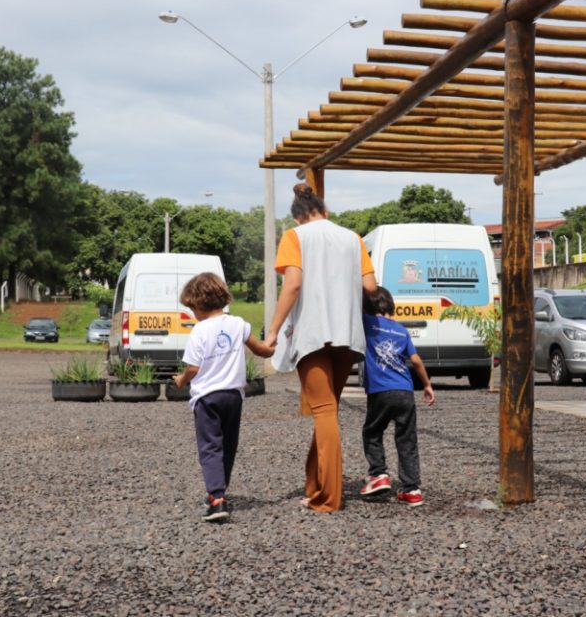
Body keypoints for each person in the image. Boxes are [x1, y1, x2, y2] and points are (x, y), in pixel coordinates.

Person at [265, 183, 377, 512]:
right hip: (347, 334)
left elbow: (294, 283)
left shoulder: (294, 237)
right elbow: (370, 286)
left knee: (324, 412)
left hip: (313, 333)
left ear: (298, 218)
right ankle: (315, 484)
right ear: (325, 212)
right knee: (327, 409)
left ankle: (329, 498)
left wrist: (272, 331)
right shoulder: (352, 238)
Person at [172, 272, 274, 522]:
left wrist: (181, 380)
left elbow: (193, 368)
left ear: (198, 303)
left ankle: (217, 499)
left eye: (191, 308)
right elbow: (261, 350)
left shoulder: (199, 331)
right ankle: (220, 490)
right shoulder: (237, 323)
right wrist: (275, 343)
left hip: (207, 397)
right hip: (233, 396)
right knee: (228, 445)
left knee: (210, 446)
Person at [358, 287, 436, 507]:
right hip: (405, 392)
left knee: (372, 432)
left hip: (380, 392)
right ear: (391, 306)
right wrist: (427, 385)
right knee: (407, 440)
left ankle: (379, 474)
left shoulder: (367, 322)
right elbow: (417, 361)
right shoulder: (402, 331)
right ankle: (412, 489)